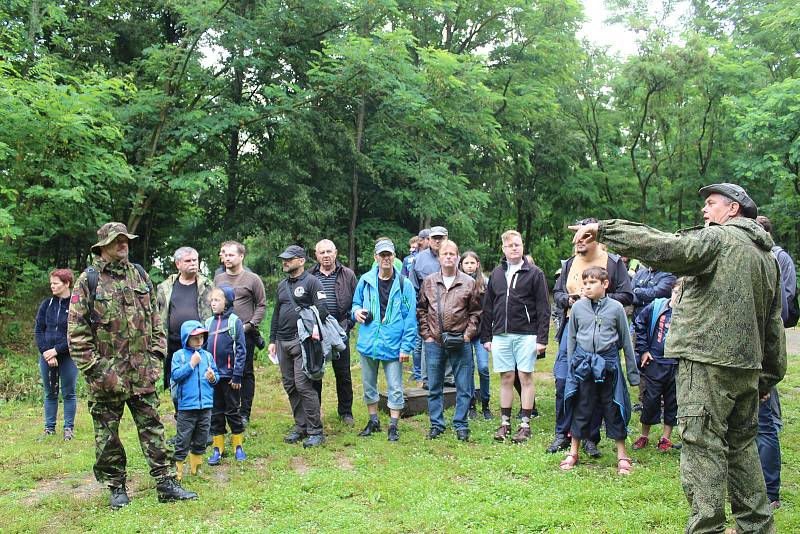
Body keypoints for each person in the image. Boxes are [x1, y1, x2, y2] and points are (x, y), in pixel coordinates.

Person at [569, 183, 786, 533]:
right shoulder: (766, 257)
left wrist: (606, 230)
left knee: (702, 446)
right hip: (747, 369)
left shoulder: (719, 240)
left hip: (706, 363)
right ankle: (758, 527)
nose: (705, 210)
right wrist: (769, 376)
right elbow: (773, 323)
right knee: (743, 448)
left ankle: (707, 529)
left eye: (712, 203)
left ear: (733, 210)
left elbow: (667, 248)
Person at [68, 222, 196, 509]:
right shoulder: (88, 281)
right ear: (102, 246)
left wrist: (155, 357)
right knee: (107, 436)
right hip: (106, 377)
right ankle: (116, 488)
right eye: (117, 240)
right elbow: (76, 334)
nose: (123, 244)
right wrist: (97, 371)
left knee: (154, 427)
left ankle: (166, 483)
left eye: (126, 240)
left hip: (142, 372)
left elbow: (156, 320)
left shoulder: (139, 274)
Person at [549, 217, 634, 457]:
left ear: (597, 237)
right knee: (564, 380)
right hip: (573, 327)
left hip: (602, 331)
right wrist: (570, 300)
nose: (578, 241)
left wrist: (597, 301)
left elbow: (627, 295)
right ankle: (562, 433)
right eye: (576, 237)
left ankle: (590, 438)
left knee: (597, 383)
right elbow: (556, 293)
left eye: (585, 235)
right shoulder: (569, 263)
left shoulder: (613, 263)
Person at [559, 266, 638, 474]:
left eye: (592, 282)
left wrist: (632, 373)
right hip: (584, 366)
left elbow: (625, 342)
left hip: (608, 366)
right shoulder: (577, 308)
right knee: (581, 407)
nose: (587, 286)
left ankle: (622, 454)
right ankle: (573, 451)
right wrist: (571, 369)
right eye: (584, 283)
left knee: (613, 408)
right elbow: (572, 339)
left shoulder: (616, 308)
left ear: (605, 284)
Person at [481, 230, 549, 443]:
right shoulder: (497, 274)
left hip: (526, 334)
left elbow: (543, 307)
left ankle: (525, 424)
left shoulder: (534, 273)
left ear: (522, 246)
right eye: (510, 245)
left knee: (525, 377)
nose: (514, 248)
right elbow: (488, 307)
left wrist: (542, 339)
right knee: (506, 378)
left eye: (517, 245)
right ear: (504, 248)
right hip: (501, 334)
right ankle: (505, 422)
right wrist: (486, 337)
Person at [352, 238, 417, 442]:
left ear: (394, 257)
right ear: (376, 258)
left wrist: (406, 346)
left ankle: (393, 425)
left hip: (393, 344)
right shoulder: (365, 280)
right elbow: (355, 304)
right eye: (382, 255)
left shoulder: (404, 284)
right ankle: (373, 421)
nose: (386, 258)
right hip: (369, 342)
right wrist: (356, 312)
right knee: (368, 384)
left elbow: (410, 317)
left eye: (389, 254)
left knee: (395, 386)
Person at [417, 240, 482, 441]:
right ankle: (436, 424)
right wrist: (427, 335)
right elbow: (421, 310)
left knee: (464, 386)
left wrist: (467, 335)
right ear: (439, 256)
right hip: (434, 341)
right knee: (434, 386)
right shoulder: (429, 281)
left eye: (452, 254)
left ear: (457, 257)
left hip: (460, 341)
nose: (448, 257)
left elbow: (476, 312)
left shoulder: (468, 283)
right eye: (445, 253)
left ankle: (461, 424)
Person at [268, 245, 330, 448]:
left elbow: (322, 309)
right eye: (283, 259)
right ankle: (300, 426)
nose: (285, 262)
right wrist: (272, 340)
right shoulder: (282, 285)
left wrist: (313, 330)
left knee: (304, 385)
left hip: (302, 341)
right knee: (290, 385)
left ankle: (315, 431)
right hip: (282, 342)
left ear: (301, 260)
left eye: (289, 259)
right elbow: (276, 313)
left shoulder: (312, 282)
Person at [756, 215, 796, 510]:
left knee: (764, 423)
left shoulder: (775, 260)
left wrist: (768, 371)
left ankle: (771, 493)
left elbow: (779, 315)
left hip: (761, 354)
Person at [214, 240, 266, 427]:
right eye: (225, 255)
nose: (227, 258)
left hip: (245, 333)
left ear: (241, 256)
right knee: (224, 372)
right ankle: (229, 409)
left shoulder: (252, 279)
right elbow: (215, 303)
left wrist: (250, 325)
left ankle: (245, 412)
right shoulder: (218, 280)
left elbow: (261, 305)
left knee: (245, 372)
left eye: (231, 255)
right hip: (222, 335)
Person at [309, 239, 357, 425]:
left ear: (336, 253)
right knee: (315, 373)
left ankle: (346, 412)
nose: (326, 255)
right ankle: (314, 412)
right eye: (322, 252)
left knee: (343, 373)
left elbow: (357, 301)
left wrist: (349, 324)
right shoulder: (310, 276)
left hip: (340, 329)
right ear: (316, 255)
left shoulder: (348, 275)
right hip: (316, 331)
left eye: (329, 251)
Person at [156, 246, 214, 393]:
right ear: (178, 264)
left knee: (199, 379)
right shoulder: (165, 287)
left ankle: (200, 411)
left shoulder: (207, 285)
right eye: (188, 260)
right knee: (175, 381)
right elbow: (157, 313)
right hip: (173, 342)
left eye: (195, 260)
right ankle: (179, 412)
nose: (193, 263)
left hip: (200, 342)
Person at [631, 279, 680, 452]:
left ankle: (666, 438)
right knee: (650, 400)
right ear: (671, 291)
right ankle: (644, 435)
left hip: (676, 364)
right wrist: (643, 350)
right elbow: (640, 322)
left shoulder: (689, 312)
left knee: (672, 402)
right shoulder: (657, 306)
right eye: (676, 292)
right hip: (655, 361)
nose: (678, 296)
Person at [170, 321, 218, 480]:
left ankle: (195, 470)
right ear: (186, 338)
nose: (199, 341)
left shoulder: (208, 356)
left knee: (201, 438)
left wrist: (212, 378)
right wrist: (191, 364)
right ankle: (178, 472)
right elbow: (176, 376)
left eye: (201, 337)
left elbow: (216, 378)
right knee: (183, 438)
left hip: (206, 406)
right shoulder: (180, 356)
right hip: (187, 407)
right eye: (194, 338)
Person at [205, 286, 247, 465]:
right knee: (216, 413)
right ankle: (218, 448)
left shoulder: (234, 321)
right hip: (213, 378)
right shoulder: (208, 323)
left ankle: (238, 446)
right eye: (212, 300)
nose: (213, 303)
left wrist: (237, 375)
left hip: (230, 377)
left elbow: (241, 350)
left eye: (217, 300)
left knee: (233, 411)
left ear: (227, 302)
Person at [34, 268, 78, 440]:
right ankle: (49, 428)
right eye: (51, 283)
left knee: (69, 392)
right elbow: (39, 330)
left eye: (56, 283)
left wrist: (57, 350)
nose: (52, 286)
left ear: (66, 284)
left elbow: (76, 334)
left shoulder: (76, 305)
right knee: (50, 392)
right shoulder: (46, 304)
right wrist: (47, 352)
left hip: (68, 356)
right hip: (47, 356)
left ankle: (68, 428)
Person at [459, 251, 492, 419]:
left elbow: (490, 308)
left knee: (484, 368)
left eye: (473, 263)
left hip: (481, 333)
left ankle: (485, 403)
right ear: (461, 265)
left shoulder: (485, 283)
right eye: (466, 263)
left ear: (478, 264)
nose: (470, 266)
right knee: (468, 369)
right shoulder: (458, 283)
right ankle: (471, 403)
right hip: (464, 333)